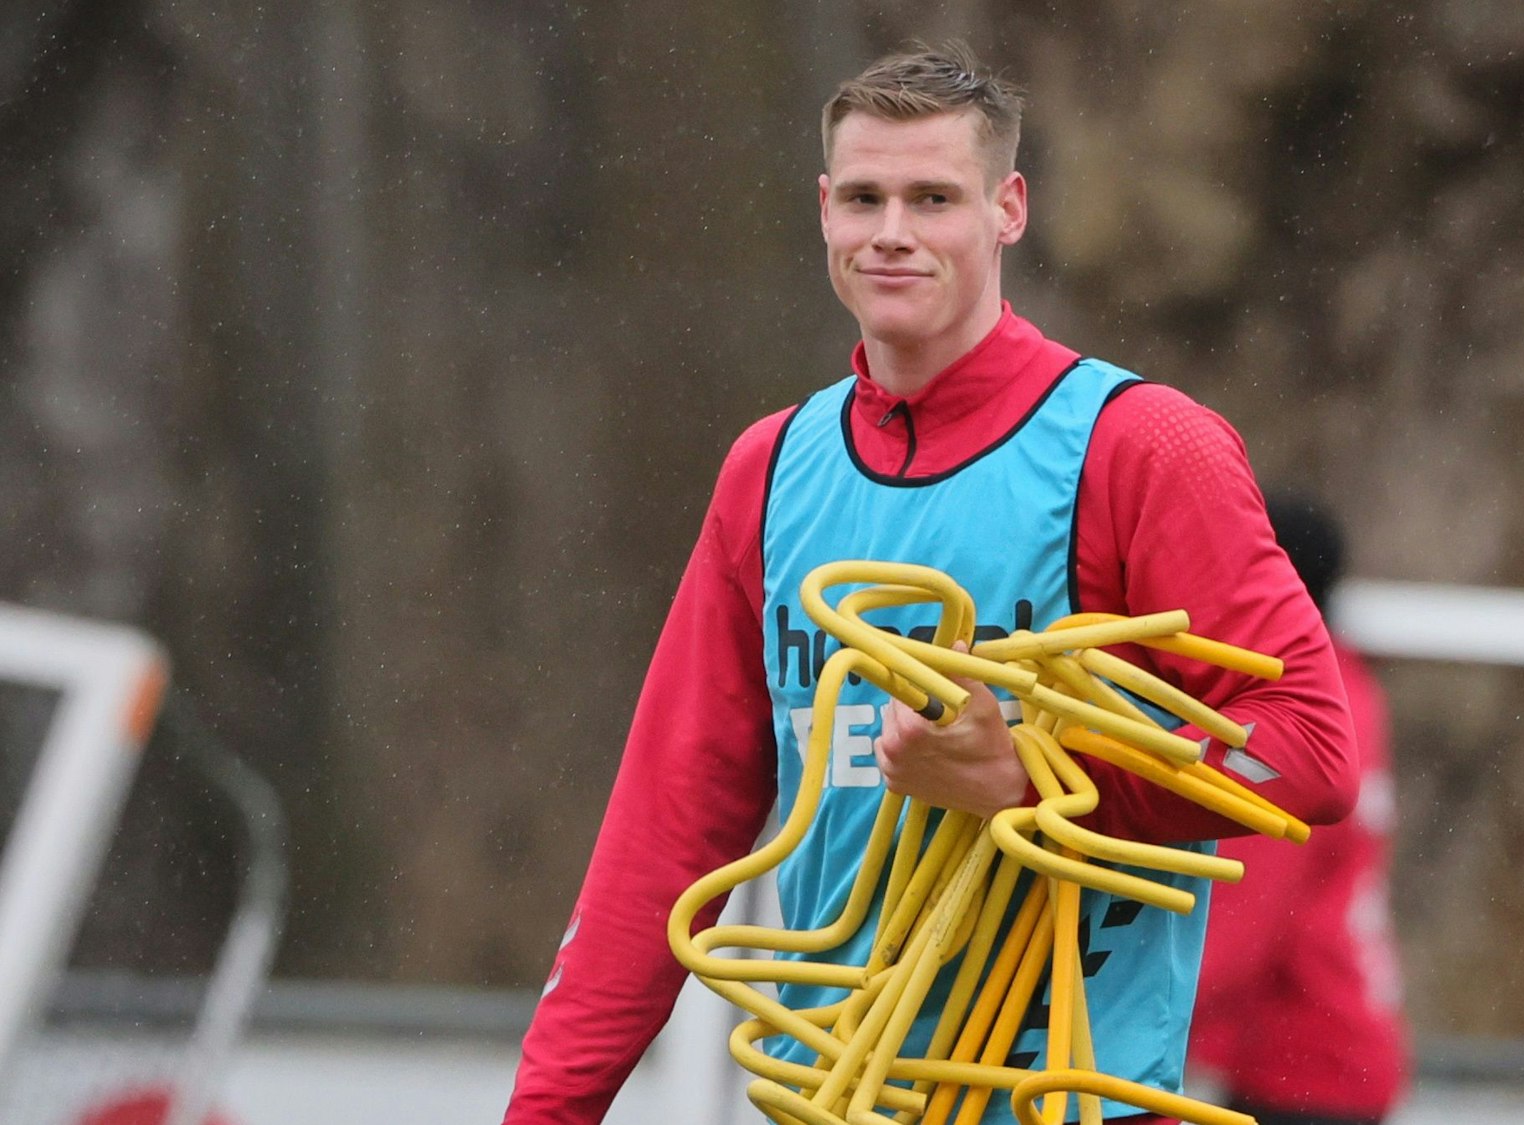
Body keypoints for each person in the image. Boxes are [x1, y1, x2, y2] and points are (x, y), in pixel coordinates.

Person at [503, 42, 1357, 1125]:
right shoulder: (767, 471)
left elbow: (1311, 750)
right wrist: (546, 1110)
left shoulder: (1139, 447)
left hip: (1066, 1099)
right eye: (863, 197)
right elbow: (665, 830)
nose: (891, 232)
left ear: (1007, 209)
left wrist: (1039, 780)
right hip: (829, 1095)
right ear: (823, 210)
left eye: (932, 197)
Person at [1187, 497, 1409, 1125]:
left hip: (1305, 1069)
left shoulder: (1289, 729)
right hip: (1337, 1043)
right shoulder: (1345, 691)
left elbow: (1246, 911)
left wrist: (1110, 1019)